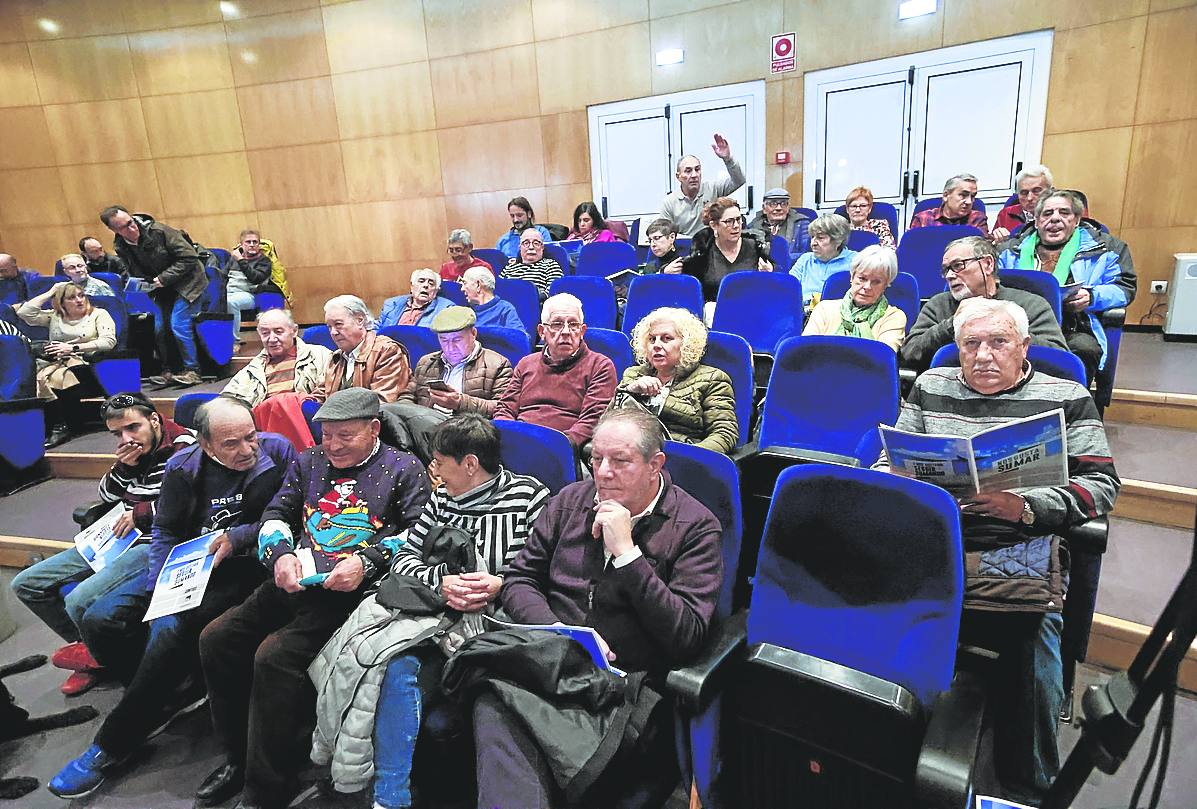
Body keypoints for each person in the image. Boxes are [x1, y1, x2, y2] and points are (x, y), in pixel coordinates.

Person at [877, 297, 1119, 804]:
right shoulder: (929, 387)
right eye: (971, 344)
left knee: (1033, 640)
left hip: (1021, 543)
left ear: (1024, 346)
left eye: (998, 342)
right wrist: (898, 486)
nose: (983, 355)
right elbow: (887, 461)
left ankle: (1028, 785)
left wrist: (1026, 507)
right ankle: (886, 750)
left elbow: (1101, 485)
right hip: (937, 537)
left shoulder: (1067, 396)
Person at [470, 409, 723, 808]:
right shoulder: (570, 501)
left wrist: (628, 555)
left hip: (623, 687)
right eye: (595, 459)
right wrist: (557, 630)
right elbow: (520, 580)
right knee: (495, 701)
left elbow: (685, 637)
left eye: (620, 461)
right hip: (550, 663)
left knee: (517, 731)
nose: (603, 473)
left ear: (655, 465)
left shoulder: (694, 527)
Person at [48, 397, 297, 800]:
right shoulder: (184, 466)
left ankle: (111, 744)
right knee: (101, 616)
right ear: (206, 445)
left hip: (248, 561)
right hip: (189, 561)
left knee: (168, 628)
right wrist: (157, 587)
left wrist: (238, 537)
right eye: (231, 444)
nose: (247, 450)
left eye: (251, 437)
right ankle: (159, 690)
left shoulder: (278, 452)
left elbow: (290, 512)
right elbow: (165, 529)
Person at [197, 388, 430, 809]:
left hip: (350, 594)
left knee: (274, 657)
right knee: (216, 638)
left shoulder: (404, 468)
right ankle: (235, 757)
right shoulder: (309, 461)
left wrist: (368, 561)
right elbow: (276, 513)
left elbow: (419, 534)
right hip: (295, 576)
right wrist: (279, 552)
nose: (333, 445)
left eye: (346, 436)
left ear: (374, 429)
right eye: (327, 435)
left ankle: (267, 787)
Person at [308, 414, 550, 809]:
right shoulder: (440, 499)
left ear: (470, 464)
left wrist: (501, 584)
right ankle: (391, 796)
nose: (432, 472)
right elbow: (403, 559)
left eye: (438, 462)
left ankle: (389, 793)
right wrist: (442, 581)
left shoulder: (530, 498)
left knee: (394, 665)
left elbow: (545, 568)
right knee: (388, 662)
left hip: (496, 620)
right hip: (434, 613)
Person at [10, 392, 195, 696]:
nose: (126, 439)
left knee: (78, 600)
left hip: (154, 539)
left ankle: (104, 654)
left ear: (154, 418)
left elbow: (192, 501)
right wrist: (124, 468)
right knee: (27, 584)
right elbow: (107, 496)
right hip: (115, 535)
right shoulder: (131, 452)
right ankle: (95, 652)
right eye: (117, 433)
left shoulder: (184, 448)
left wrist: (142, 514)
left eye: (133, 428)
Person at [997, 190, 1135, 383]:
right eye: (1047, 214)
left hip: (1074, 324)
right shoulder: (1008, 251)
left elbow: (1125, 287)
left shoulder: (1106, 248)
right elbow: (993, 286)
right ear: (1036, 221)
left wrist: (1092, 297)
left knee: (1084, 349)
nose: (1055, 219)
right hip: (1017, 322)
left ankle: (1071, 406)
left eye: (1064, 213)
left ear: (1076, 220)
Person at [901, 236, 1067, 372]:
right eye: (946, 270)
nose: (950, 275)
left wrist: (1007, 332)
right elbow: (910, 353)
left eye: (958, 265)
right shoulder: (938, 305)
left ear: (987, 264)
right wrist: (953, 324)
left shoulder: (1032, 304)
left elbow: (1059, 358)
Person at [100, 205, 208, 388]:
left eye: (131, 222)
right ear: (113, 230)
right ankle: (170, 370)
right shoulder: (120, 246)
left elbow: (190, 258)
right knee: (159, 329)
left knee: (178, 324)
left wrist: (163, 278)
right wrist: (139, 283)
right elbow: (132, 270)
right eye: (123, 227)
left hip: (189, 283)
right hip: (160, 289)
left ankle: (192, 370)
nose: (131, 228)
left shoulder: (160, 231)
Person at [494, 293, 616, 450]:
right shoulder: (526, 363)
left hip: (564, 448)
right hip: (518, 442)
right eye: (557, 324)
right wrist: (509, 437)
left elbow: (592, 420)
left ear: (582, 331)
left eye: (573, 325)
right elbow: (505, 408)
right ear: (542, 331)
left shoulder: (600, 365)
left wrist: (557, 447)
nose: (566, 331)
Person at [618, 307, 738, 454]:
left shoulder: (713, 379)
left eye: (666, 338)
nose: (656, 345)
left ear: (687, 343)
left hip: (680, 459)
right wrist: (630, 391)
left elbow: (724, 434)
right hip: (630, 455)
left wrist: (689, 457)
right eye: (651, 339)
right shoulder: (634, 375)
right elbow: (608, 423)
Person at [17, 281, 117, 447]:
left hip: (88, 364)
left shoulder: (99, 314)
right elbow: (24, 313)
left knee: (50, 378)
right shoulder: (55, 316)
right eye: (71, 297)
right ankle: (54, 424)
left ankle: (60, 426)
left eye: (81, 295)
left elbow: (108, 341)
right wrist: (51, 291)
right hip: (54, 362)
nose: (79, 300)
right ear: (61, 302)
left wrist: (72, 348)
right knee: (35, 377)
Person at [400, 306, 512, 417]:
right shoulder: (426, 362)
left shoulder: (498, 364)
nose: (450, 348)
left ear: (473, 334)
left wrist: (460, 402)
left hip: (467, 428)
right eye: (444, 340)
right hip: (424, 425)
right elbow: (408, 396)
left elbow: (503, 408)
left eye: (457, 340)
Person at [803, 245, 906, 352]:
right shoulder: (824, 309)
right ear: (852, 277)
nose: (867, 287)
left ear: (886, 285)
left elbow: (883, 359)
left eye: (876, 282)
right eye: (862, 278)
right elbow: (805, 351)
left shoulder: (894, 317)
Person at [222, 308, 332, 407]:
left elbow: (332, 391)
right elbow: (227, 402)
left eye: (278, 332)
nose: (272, 339)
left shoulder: (321, 355)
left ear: (294, 331)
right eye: (265, 333)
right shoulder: (252, 370)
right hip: (264, 424)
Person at [682, 196, 773, 315]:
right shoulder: (702, 252)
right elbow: (689, 289)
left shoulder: (756, 247)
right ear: (714, 225)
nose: (736, 225)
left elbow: (776, 281)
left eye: (738, 219)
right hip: (714, 315)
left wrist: (771, 272)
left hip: (753, 311)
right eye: (729, 221)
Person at [315, 295, 411, 403]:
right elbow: (319, 396)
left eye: (338, 324)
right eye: (329, 326)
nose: (333, 332)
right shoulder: (336, 357)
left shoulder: (387, 351)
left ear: (360, 320)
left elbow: (381, 403)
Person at [658, 133, 746, 236]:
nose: (694, 175)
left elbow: (739, 180)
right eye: (688, 171)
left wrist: (728, 159)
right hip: (684, 248)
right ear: (679, 177)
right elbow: (665, 235)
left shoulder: (713, 189)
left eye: (697, 169)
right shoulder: (669, 203)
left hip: (711, 246)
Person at [788, 213, 857, 309]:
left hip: (837, 314)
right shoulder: (805, 259)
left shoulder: (856, 261)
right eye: (812, 237)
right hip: (802, 312)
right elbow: (789, 287)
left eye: (820, 238)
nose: (813, 243)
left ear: (838, 240)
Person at [226, 229, 282, 343]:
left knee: (230, 302)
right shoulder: (233, 260)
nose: (252, 245)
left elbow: (255, 278)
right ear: (241, 245)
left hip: (250, 295)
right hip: (228, 293)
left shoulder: (264, 261)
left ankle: (234, 341)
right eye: (248, 242)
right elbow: (223, 276)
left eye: (255, 242)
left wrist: (241, 260)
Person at [909, 173, 991, 238]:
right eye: (963, 195)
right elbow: (911, 249)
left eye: (973, 196)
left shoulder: (977, 219)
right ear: (946, 196)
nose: (969, 202)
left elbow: (982, 251)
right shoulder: (923, 218)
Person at [501, 227, 564, 301]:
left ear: (542, 247)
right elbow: (497, 290)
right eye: (526, 243)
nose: (531, 247)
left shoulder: (551, 265)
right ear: (520, 247)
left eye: (536, 243)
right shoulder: (509, 267)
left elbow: (555, 291)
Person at [992, 165, 1053, 241]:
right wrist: (998, 240)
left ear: (1050, 191)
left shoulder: (1058, 215)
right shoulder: (1006, 214)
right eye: (1024, 193)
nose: (1029, 198)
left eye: (1036, 191)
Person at [378, 268, 453, 329]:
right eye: (421, 281)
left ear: (436, 290)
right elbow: (377, 327)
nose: (426, 285)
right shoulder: (391, 304)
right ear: (412, 287)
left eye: (431, 283)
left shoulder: (445, 308)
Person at [747, 187, 812, 253]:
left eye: (783, 204)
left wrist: (781, 260)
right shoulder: (753, 226)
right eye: (773, 204)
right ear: (764, 208)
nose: (779, 208)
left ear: (788, 207)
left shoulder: (802, 224)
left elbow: (805, 254)